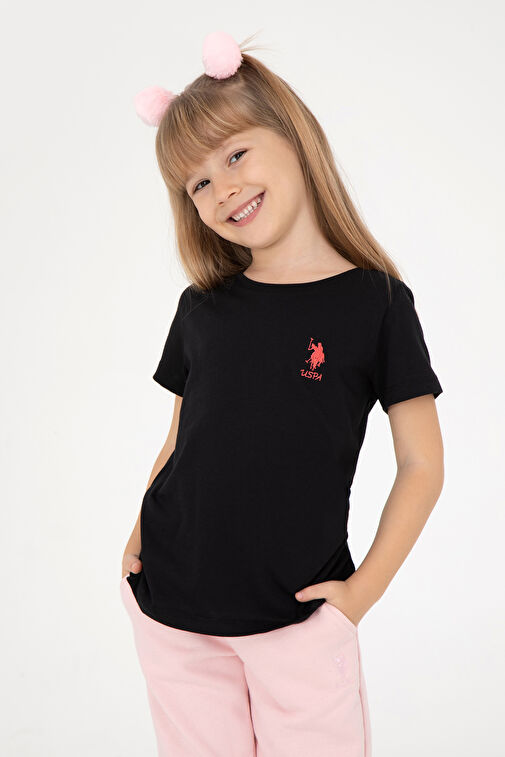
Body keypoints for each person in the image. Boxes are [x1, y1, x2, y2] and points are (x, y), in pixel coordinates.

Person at [119, 30, 444, 757]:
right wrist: (138, 541)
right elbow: (180, 441)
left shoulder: (377, 305)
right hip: (172, 610)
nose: (222, 189)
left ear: (293, 136)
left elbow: (422, 465)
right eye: (198, 184)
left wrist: (359, 595)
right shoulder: (202, 308)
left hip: (299, 621)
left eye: (235, 155)